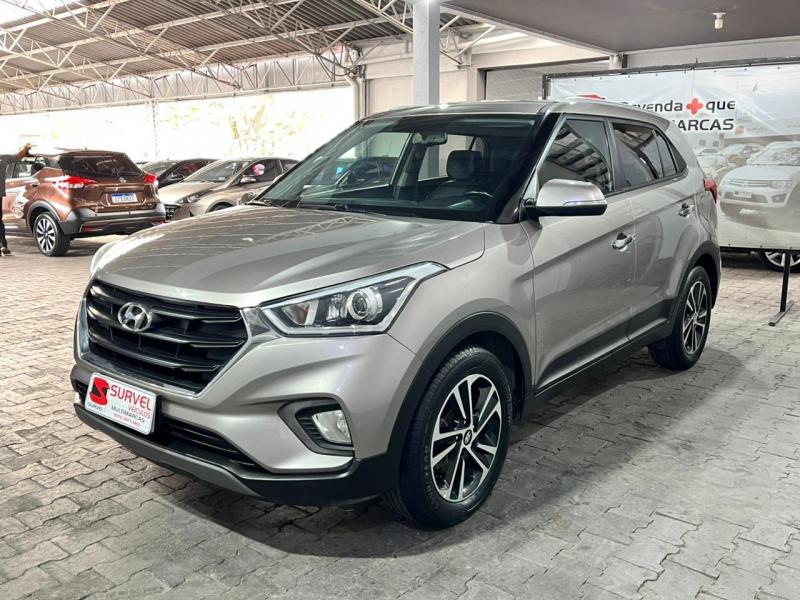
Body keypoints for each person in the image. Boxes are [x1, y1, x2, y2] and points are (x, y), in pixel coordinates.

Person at [0, 143, 33, 257]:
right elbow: (18, 156)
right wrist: (26, 147)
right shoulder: (3, 158)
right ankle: (3, 245)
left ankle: (2, 245)